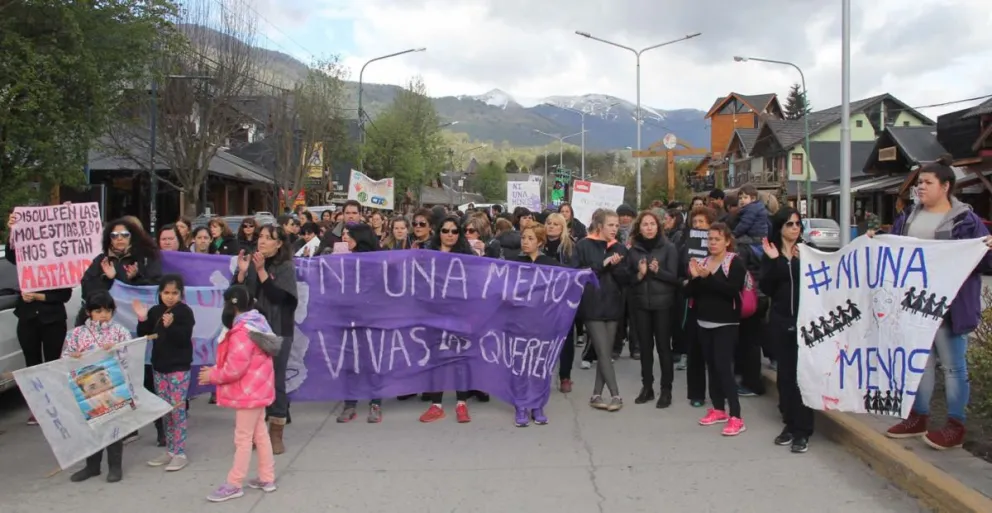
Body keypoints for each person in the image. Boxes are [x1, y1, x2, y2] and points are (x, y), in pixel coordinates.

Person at [884, 156, 992, 449]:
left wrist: (985, 248)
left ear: (945, 186)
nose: (920, 187)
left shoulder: (966, 221)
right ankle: (918, 417)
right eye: (919, 182)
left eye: (927, 183)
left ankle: (955, 425)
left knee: (954, 367)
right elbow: (892, 251)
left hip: (950, 308)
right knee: (921, 363)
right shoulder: (908, 217)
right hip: (914, 307)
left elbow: (985, 261)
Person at [200, 285, 281, 502]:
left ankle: (234, 483)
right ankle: (266, 477)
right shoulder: (259, 323)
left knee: (243, 438)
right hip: (259, 388)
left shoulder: (242, 331)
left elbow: (235, 367)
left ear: (230, 305)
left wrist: (213, 375)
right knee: (259, 434)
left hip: (248, 391)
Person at [232, 225, 298, 454]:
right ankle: (254, 430)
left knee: (275, 380)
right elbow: (238, 298)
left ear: (279, 244)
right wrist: (241, 273)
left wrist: (261, 271)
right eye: (260, 237)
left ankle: (276, 430)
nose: (262, 241)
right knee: (253, 381)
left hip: (278, 330)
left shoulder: (285, 267)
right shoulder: (251, 263)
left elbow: (279, 298)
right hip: (253, 330)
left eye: (269, 238)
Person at [5, 212, 73, 425]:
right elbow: (11, 254)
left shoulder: (60, 263)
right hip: (27, 319)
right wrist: (13, 231)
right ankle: (38, 408)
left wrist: (38, 296)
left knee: (52, 364)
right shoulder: (25, 259)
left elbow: (64, 295)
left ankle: (56, 405)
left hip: (52, 320)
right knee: (31, 366)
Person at [65, 291, 133, 483]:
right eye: (98, 311)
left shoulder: (119, 331)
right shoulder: (76, 334)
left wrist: (118, 348)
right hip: (88, 391)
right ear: (89, 312)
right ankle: (92, 466)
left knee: (114, 427)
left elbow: (131, 353)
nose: (103, 314)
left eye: (107, 310)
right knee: (92, 428)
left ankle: (115, 467)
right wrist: (73, 357)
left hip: (113, 386)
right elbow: (65, 359)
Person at [760, 207, 813, 453]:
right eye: (790, 224)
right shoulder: (771, 252)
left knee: (803, 377)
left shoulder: (808, 252)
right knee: (786, 376)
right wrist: (775, 261)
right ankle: (789, 424)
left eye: (798, 224)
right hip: (781, 321)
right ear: (780, 227)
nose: (795, 228)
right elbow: (768, 287)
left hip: (806, 322)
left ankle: (803, 430)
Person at [687, 222, 747, 436]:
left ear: (727, 241)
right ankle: (719, 409)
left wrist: (708, 278)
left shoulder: (734, 262)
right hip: (704, 323)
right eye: (709, 239)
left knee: (723, 368)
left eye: (717, 239)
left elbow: (732, 291)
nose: (712, 243)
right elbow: (691, 295)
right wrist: (694, 278)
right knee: (711, 367)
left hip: (726, 324)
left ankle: (736, 416)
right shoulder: (703, 262)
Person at [135, 274, 195, 470]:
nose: (170, 297)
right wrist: (142, 318)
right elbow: (145, 334)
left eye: (174, 293)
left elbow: (184, 338)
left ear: (181, 294)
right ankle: (170, 450)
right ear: (160, 293)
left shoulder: (185, 312)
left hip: (178, 367)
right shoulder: (155, 311)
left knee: (177, 410)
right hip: (159, 367)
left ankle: (180, 452)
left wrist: (170, 327)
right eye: (166, 292)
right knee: (165, 411)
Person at [419, 216, 476, 423]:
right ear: (439, 233)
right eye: (445, 231)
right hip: (434, 314)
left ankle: (461, 404)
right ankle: (436, 405)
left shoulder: (468, 257)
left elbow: (476, 284)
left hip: (460, 313)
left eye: (454, 231)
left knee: (460, 358)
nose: (450, 235)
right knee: (437, 359)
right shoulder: (428, 256)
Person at [576, 208, 628, 412]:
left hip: (613, 304)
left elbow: (626, 279)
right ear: (600, 226)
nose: (615, 229)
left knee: (604, 351)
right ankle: (616, 394)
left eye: (617, 225)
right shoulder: (583, 245)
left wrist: (617, 267)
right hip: (592, 304)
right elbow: (578, 273)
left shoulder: (620, 248)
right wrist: (603, 263)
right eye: (611, 225)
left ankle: (596, 395)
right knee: (603, 352)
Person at [627, 210, 679, 409]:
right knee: (645, 348)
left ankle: (666, 390)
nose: (649, 228)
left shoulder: (669, 248)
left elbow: (674, 278)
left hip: (663, 305)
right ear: (639, 228)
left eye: (652, 224)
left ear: (658, 227)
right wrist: (640, 275)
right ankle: (647, 387)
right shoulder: (633, 250)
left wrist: (658, 272)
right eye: (645, 224)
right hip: (640, 305)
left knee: (664, 348)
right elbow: (628, 279)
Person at [513, 223, 559, 426]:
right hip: (519, 321)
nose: (525, 242)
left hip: (542, 321)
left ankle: (537, 404)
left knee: (540, 364)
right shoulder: (513, 263)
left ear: (540, 242)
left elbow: (566, 283)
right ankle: (520, 405)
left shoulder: (550, 263)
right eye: (523, 238)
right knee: (520, 363)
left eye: (530, 238)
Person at [337, 223, 384, 423]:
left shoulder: (378, 262)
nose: (345, 238)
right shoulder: (345, 260)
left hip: (373, 318)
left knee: (373, 360)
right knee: (350, 360)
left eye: (350, 235)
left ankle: (376, 403)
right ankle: (350, 403)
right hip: (349, 317)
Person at [683, 206, 716, 407]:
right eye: (695, 223)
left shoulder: (721, 247)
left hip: (716, 307)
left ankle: (718, 394)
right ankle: (696, 394)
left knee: (714, 354)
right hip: (695, 304)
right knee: (694, 351)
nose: (698, 226)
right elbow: (681, 274)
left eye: (702, 222)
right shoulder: (687, 246)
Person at [544, 213, 579, 392]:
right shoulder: (538, 243)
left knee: (565, 339)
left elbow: (573, 270)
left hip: (564, 298)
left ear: (562, 227)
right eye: (549, 223)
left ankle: (565, 376)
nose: (551, 226)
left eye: (556, 224)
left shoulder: (569, 246)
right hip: (543, 300)